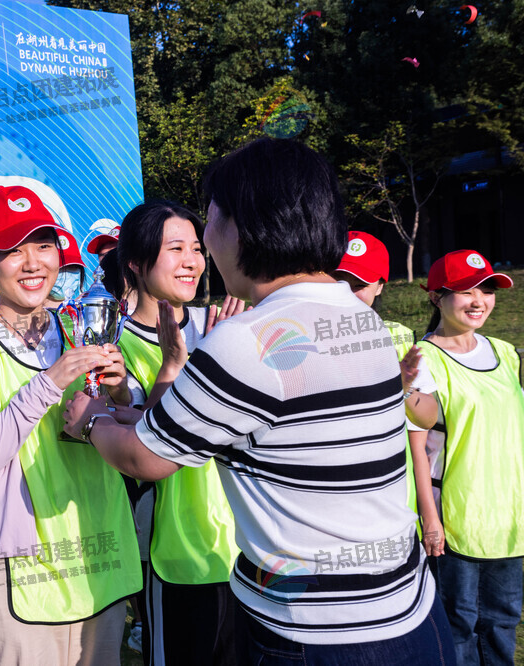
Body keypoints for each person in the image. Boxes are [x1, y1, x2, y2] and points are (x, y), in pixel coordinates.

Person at [63, 138, 455, 663]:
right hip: (409, 606)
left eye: (210, 222)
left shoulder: (248, 339)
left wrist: (90, 421)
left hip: (318, 632)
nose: (204, 242)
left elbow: (145, 458)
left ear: (246, 227)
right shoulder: (363, 319)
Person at [0, 185, 141, 665]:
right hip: (16, 568)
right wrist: (50, 382)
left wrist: (119, 390)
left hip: (95, 549)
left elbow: (133, 413)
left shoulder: (79, 323)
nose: (33, 263)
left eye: (43, 245)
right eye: (13, 250)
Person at [115, 201, 242, 666]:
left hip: (243, 545)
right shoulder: (114, 342)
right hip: (173, 547)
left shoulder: (223, 325)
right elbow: (138, 441)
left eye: (195, 248)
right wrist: (176, 366)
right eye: (174, 248)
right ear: (136, 261)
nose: (190, 260)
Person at [415, 249, 523, 666]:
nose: (479, 300)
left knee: (502, 624)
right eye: (465, 290)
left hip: (509, 522)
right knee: (458, 626)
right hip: (458, 523)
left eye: (487, 289)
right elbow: (419, 449)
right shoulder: (425, 359)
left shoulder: (506, 353)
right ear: (436, 298)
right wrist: (430, 517)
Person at [333, 230, 440, 522]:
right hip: (327, 497)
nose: (346, 292)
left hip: (389, 498)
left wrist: (402, 388)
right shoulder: (301, 337)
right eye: (338, 280)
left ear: (380, 286)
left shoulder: (400, 339)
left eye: (359, 285)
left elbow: (428, 418)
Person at [44, 228, 85, 309]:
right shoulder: (25, 313)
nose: (66, 274)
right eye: (60, 268)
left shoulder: (83, 311)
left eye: (72, 267)